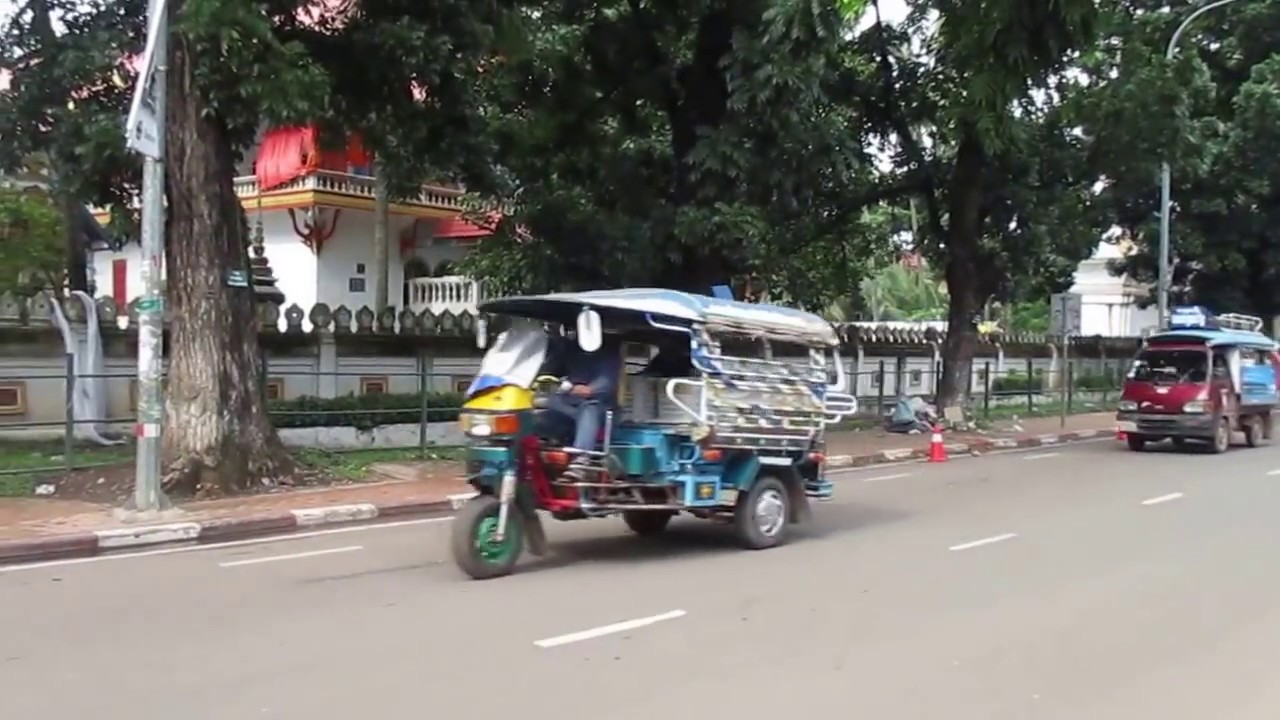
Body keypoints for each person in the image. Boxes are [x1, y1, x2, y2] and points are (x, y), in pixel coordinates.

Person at [542, 333, 624, 455]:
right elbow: (553, 369)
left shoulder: (608, 349)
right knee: (550, 402)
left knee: (589, 409)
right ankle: (534, 450)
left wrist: (590, 389)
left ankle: (581, 458)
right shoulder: (571, 347)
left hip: (601, 406)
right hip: (571, 403)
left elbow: (607, 381)